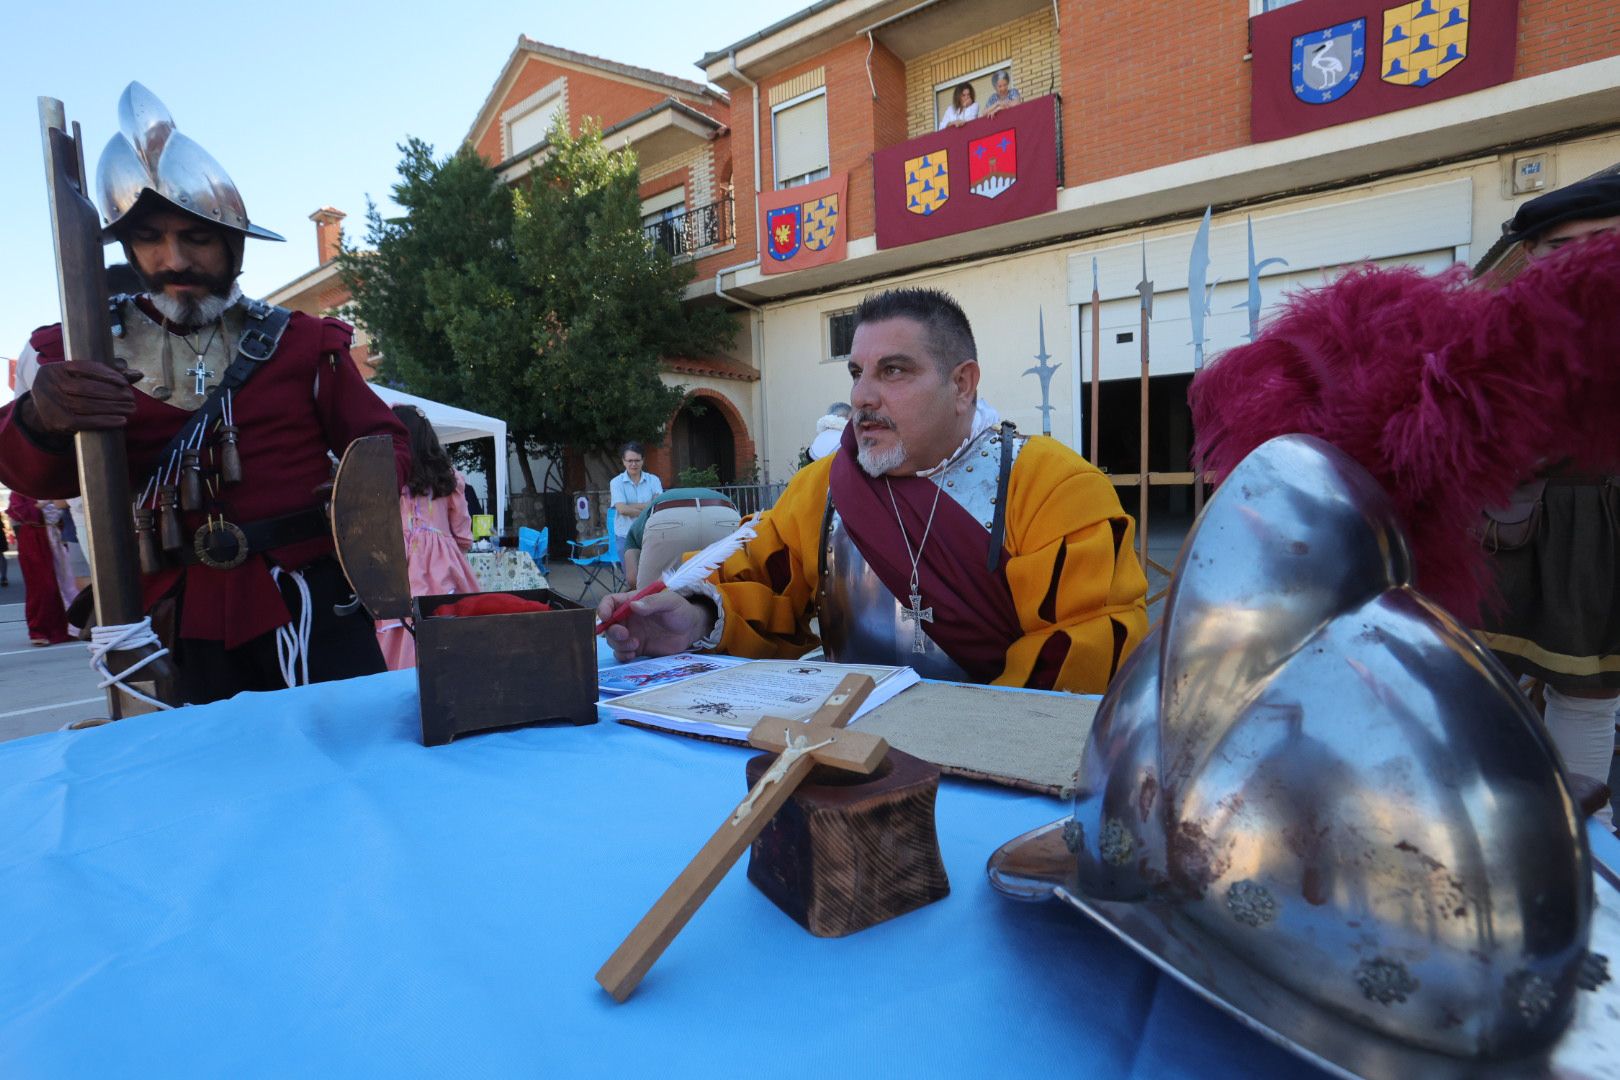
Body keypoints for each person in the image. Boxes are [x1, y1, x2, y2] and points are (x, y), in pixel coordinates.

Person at [0, 82, 409, 704]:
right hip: (168, 616)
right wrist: (42, 415)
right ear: (127, 248)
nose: (174, 259)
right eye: (150, 239)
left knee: (351, 761)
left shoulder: (304, 342)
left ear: (232, 244)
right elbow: (34, 474)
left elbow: (383, 438)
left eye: (197, 237)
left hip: (308, 601)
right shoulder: (76, 348)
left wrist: (361, 479)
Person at [600, 288, 1150, 694]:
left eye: (893, 372)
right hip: (848, 761)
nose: (862, 396)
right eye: (857, 372)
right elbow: (761, 582)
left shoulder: (1053, 487)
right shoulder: (821, 489)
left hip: (996, 766)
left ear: (962, 384)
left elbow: (1092, 643)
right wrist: (693, 618)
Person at [1472, 171, 1620, 826]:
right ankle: (1485, 820)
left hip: (1604, 535)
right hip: (1506, 529)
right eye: (1565, 245)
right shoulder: (1499, 328)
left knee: (1588, 693)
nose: (1587, 256)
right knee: (1478, 683)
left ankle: (1580, 835)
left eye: (1603, 238)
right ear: (1534, 254)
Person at [376, 406, 481, 670]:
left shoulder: (386, 479)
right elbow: (463, 533)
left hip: (397, 566)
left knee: (401, 629)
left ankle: (402, 681)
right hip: (444, 567)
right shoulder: (449, 478)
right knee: (451, 626)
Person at [622, 487, 741, 591]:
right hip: (725, 513)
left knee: (648, 599)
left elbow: (632, 578)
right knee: (733, 589)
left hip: (667, 517)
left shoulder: (636, 529)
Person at [5, 492, 71, 646]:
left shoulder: (57, 486)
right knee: (42, 587)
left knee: (67, 584)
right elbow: (18, 511)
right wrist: (40, 505)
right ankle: (39, 630)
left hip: (59, 537)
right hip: (35, 540)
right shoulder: (20, 490)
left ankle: (68, 627)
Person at [610, 442, 663, 583]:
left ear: (643, 460)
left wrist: (630, 506)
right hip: (625, 535)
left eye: (637, 460)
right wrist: (647, 508)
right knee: (632, 579)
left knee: (653, 576)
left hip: (650, 533)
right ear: (623, 461)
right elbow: (622, 509)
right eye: (630, 460)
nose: (633, 464)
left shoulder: (654, 480)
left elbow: (658, 505)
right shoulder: (616, 482)